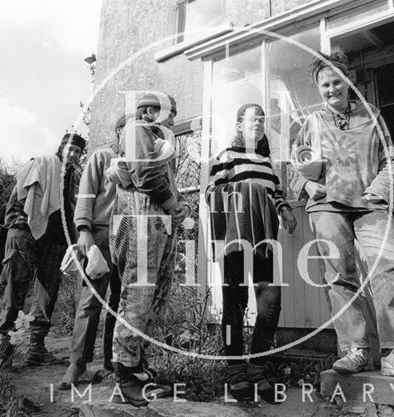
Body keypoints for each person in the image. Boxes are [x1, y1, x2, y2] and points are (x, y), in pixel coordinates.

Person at [290, 50, 394, 377]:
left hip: (370, 203)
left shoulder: (372, 115)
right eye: (324, 85)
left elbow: (391, 162)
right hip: (328, 207)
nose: (331, 89)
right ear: (319, 89)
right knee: (340, 276)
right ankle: (356, 350)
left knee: (390, 264)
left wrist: (379, 191)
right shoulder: (310, 124)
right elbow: (295, 168)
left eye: (336, 82)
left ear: (348, 82)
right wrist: (306, 183)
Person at [206, 103, 297, 402]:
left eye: (261, 119)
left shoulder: (267, 163)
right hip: (235, 239)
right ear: (239, 125)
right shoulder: (227, 156)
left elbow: (277, 194)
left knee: (271, 304)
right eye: (251, 119)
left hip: (265, 241)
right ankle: (235, 370)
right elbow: (211, 192)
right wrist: (243, 193)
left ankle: (257, 367)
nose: (257, 123)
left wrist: (284, 211)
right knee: (234, 303)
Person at [106, 93, 191, 406]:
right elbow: (146, 175)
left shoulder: (159, 140)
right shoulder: (137, 130)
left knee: (155, 295)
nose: (172, 120)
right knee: (138, 294)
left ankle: (138, 368)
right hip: (140, 219)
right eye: (170, 113)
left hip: (158, 222)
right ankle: (124, 374)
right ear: (149, 111)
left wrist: (179, 204)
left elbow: (166, 181)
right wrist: (172, 203)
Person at [57, 115, 133, 389]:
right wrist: (83, 230)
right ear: (119, 132)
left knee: (121, 302)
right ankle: (77, 363)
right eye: (129, 130)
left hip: (128, 235)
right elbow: (86, 195)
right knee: (91, 299)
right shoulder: (102, 157)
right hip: (100, 234)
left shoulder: (140, 163)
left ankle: (112, 361)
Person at [0, 133, 85, 366]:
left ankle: (36, 349)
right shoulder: (42, 164)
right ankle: (2, 352)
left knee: (47, 295)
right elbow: (19, 194)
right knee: (15, 292)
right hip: (26, 233)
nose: (73, 154)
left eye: (78, 151)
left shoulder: (75, 178)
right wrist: (16, 220)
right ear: (61, 148)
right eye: (70, 149)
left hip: (55, 240)